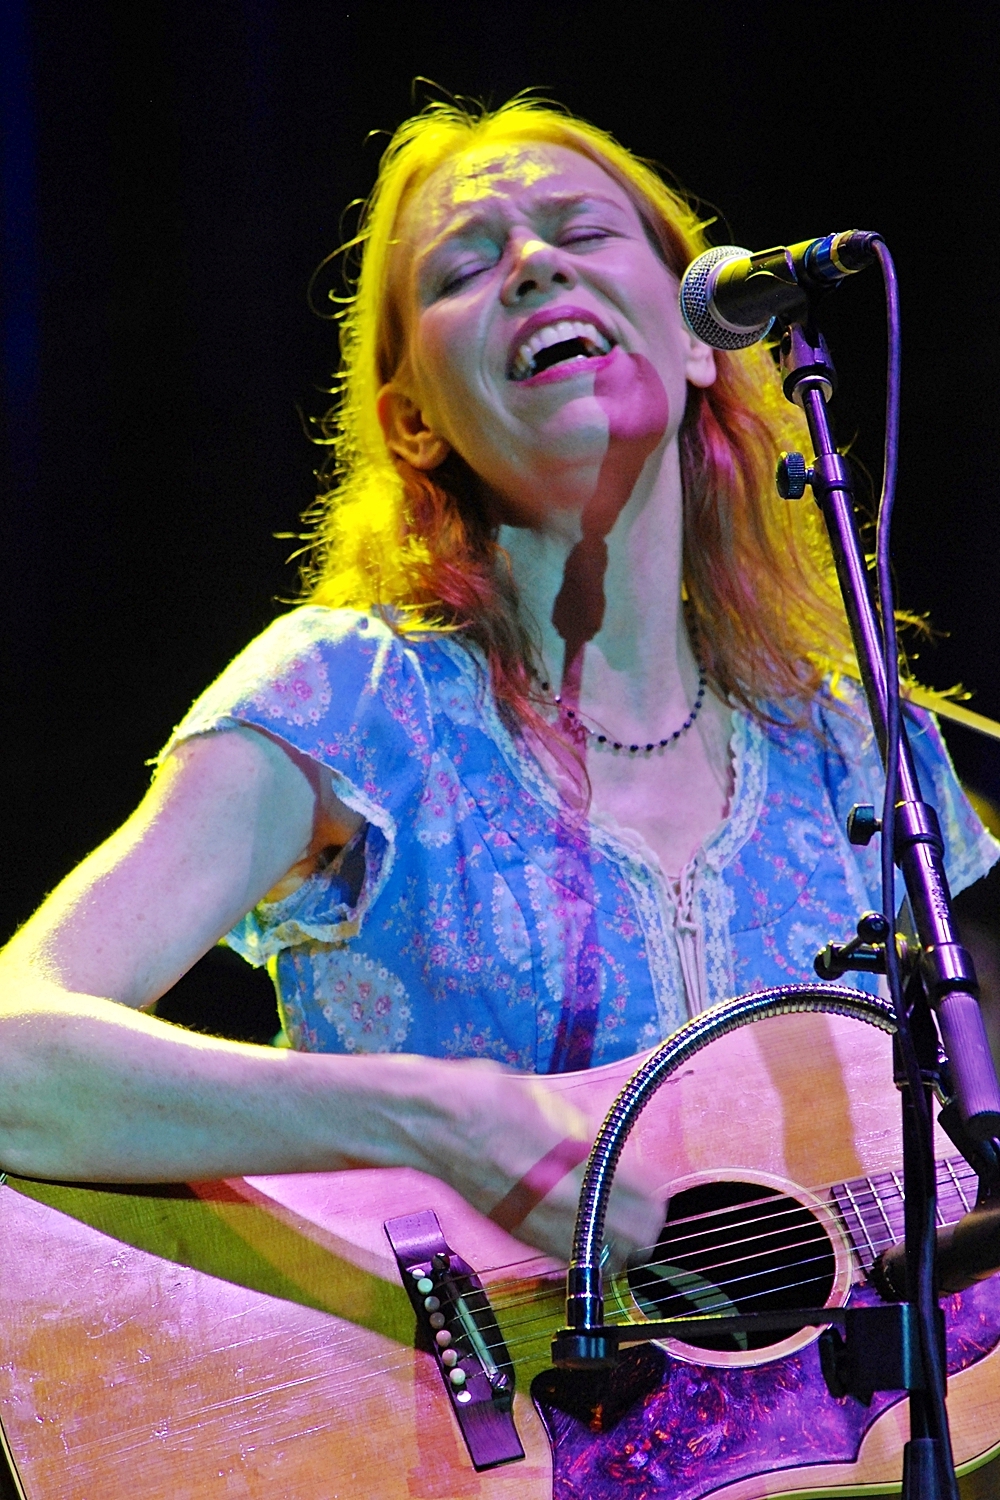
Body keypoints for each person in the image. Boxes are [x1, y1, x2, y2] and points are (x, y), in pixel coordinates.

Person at [0, 97, 996, 1271]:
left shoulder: (857, 747)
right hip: (426, 1385)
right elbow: (16, 1052)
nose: (531, 263)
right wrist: (430, 1117)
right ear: (413, 423)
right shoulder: (353, 701)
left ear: (700, 336)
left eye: (582, 231)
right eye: (464, 268)